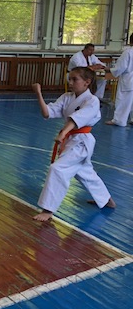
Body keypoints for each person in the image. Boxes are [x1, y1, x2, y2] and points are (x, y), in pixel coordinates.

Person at [31, 67, 115, 222]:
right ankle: (107, 200)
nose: (70, 82)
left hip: (82, 141)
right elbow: (47, 113)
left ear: (87, 82)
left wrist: (63, 133)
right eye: (69, 79)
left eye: (74, 79)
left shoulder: (92, 100)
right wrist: (38, 94)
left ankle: (48, 210)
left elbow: (77, 119)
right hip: (71, 140)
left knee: (58, 169)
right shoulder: (67, 97)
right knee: (85, 171)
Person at [105, 34, 133, 126]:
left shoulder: (128, 52)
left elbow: (121, 67)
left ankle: (119, 120)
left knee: (123, 100)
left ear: (130, 42)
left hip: (128, 80)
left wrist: (110, 69)